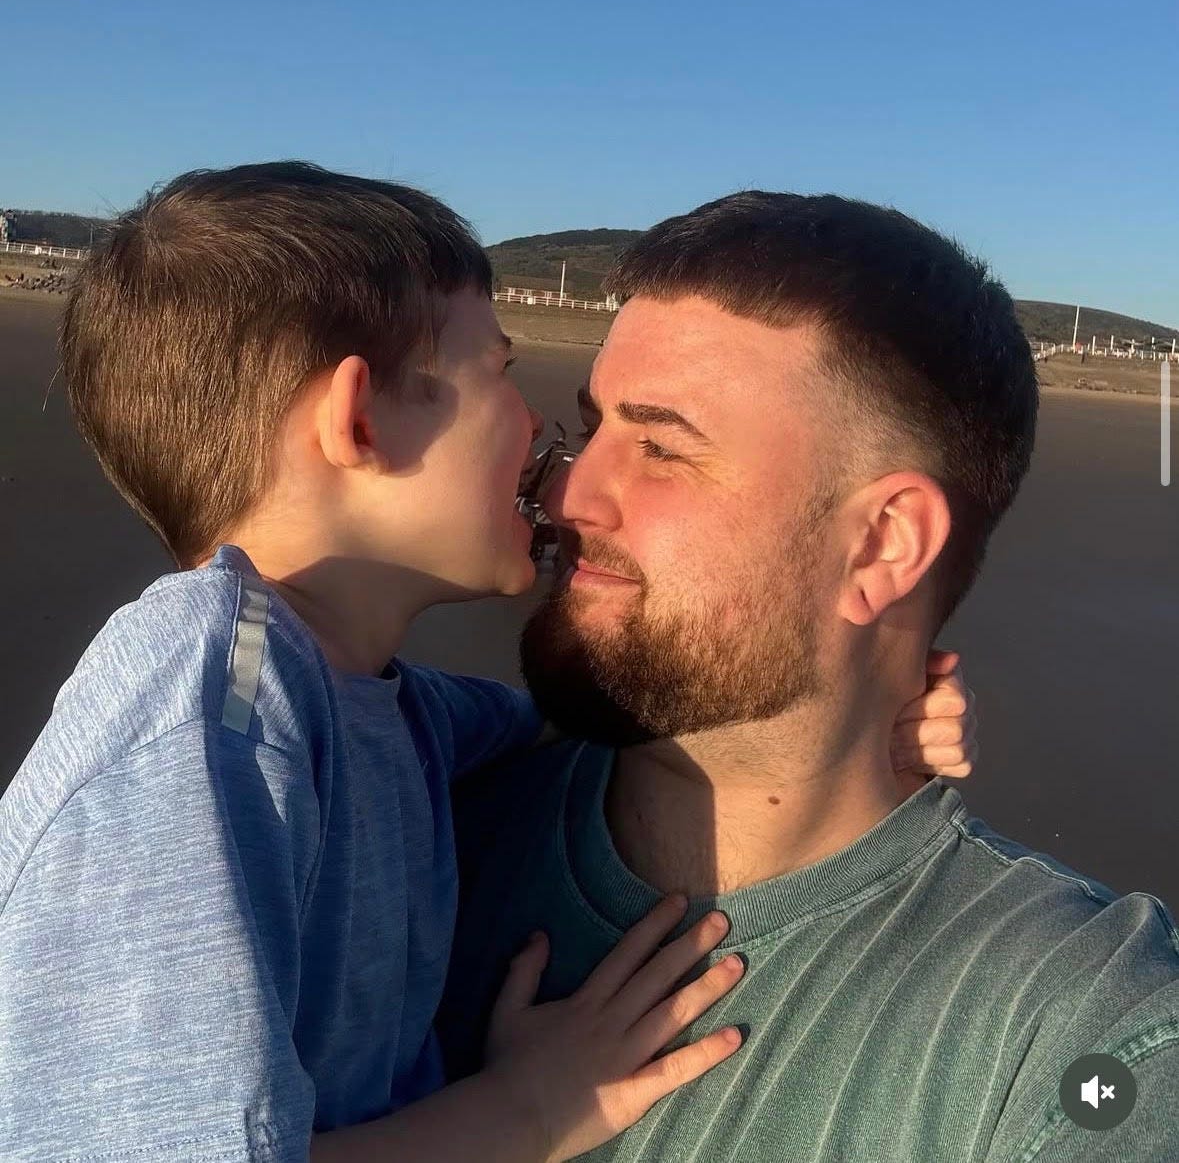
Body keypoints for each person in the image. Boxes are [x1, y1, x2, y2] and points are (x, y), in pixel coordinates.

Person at [0, 164, 969, 1163]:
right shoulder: (206, 704)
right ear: (361, 421)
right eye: (499, 372)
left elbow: (564, 720)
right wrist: (526, 1113)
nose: (546, 444)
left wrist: (870, 712)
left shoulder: (384, 707)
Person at [437, 191, 1179, 1162]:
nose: (570, 491)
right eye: (594, 426)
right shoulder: (394, 805)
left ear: (881, 545)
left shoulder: (1077, 1028)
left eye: (660, 447)